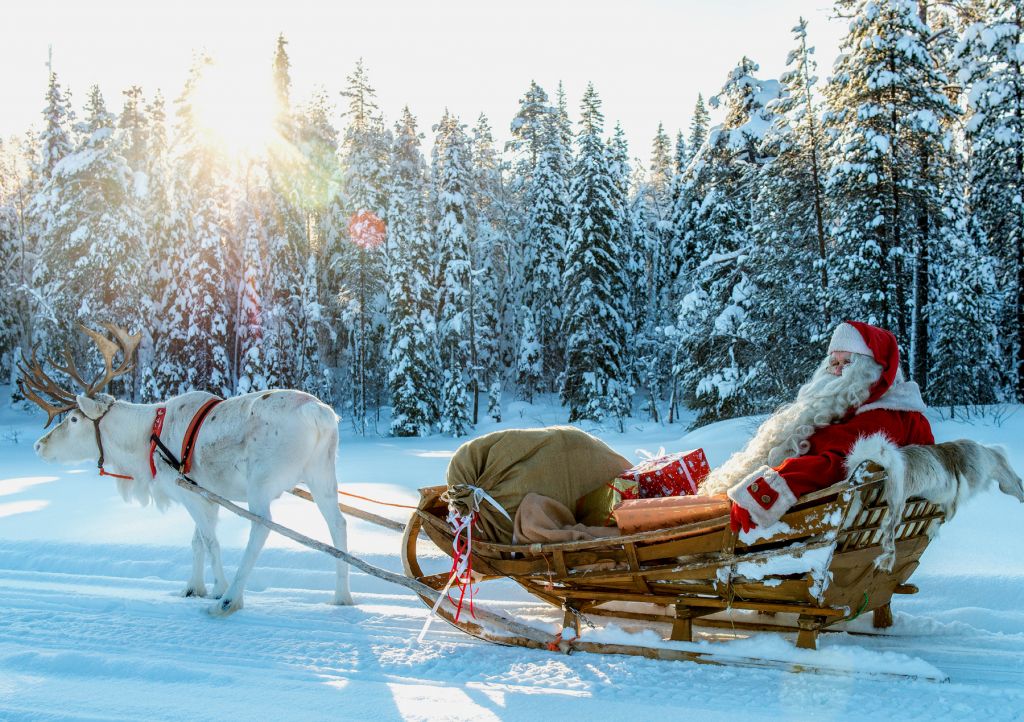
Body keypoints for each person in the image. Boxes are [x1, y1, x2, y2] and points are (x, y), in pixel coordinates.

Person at [698, 321, 934, 533]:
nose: (838, 370)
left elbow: (837, 465)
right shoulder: (856, 406)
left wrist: (766, 490)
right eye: (834, 363)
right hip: (807, 512)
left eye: (848, 363)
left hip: (808, 523)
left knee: (687, 513)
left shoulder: (883, 416)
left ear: (871, 369)